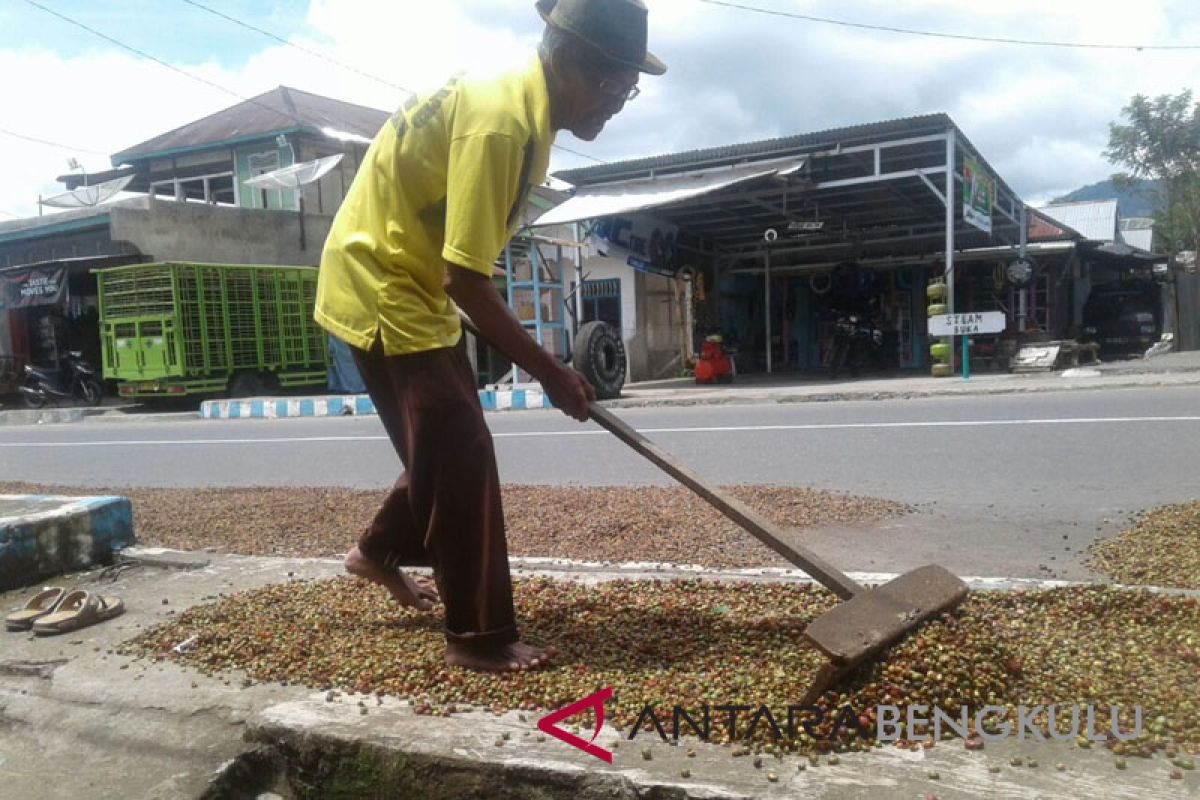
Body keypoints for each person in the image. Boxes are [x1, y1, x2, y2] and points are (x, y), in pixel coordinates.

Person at [314, 0, 666, 672]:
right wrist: (551, 371)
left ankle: (377, 550)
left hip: (408, 276)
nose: (616, 104)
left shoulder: (522, 111)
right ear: (565, 61)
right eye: (610, 85)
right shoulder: (502, 124)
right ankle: (477, 639)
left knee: (446, 438)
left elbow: (461, 267)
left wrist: (543, 365)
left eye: (628, 88)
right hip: (382, 279)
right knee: (462, 446)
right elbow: (466, 280)